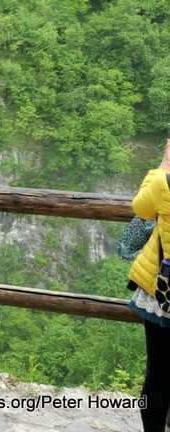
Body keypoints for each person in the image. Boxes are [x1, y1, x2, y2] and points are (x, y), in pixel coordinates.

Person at [127, 137, 170, 432]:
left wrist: (162, 166)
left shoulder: (165, 183)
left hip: (162, 293)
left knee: (158, 374)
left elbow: (141, 208)